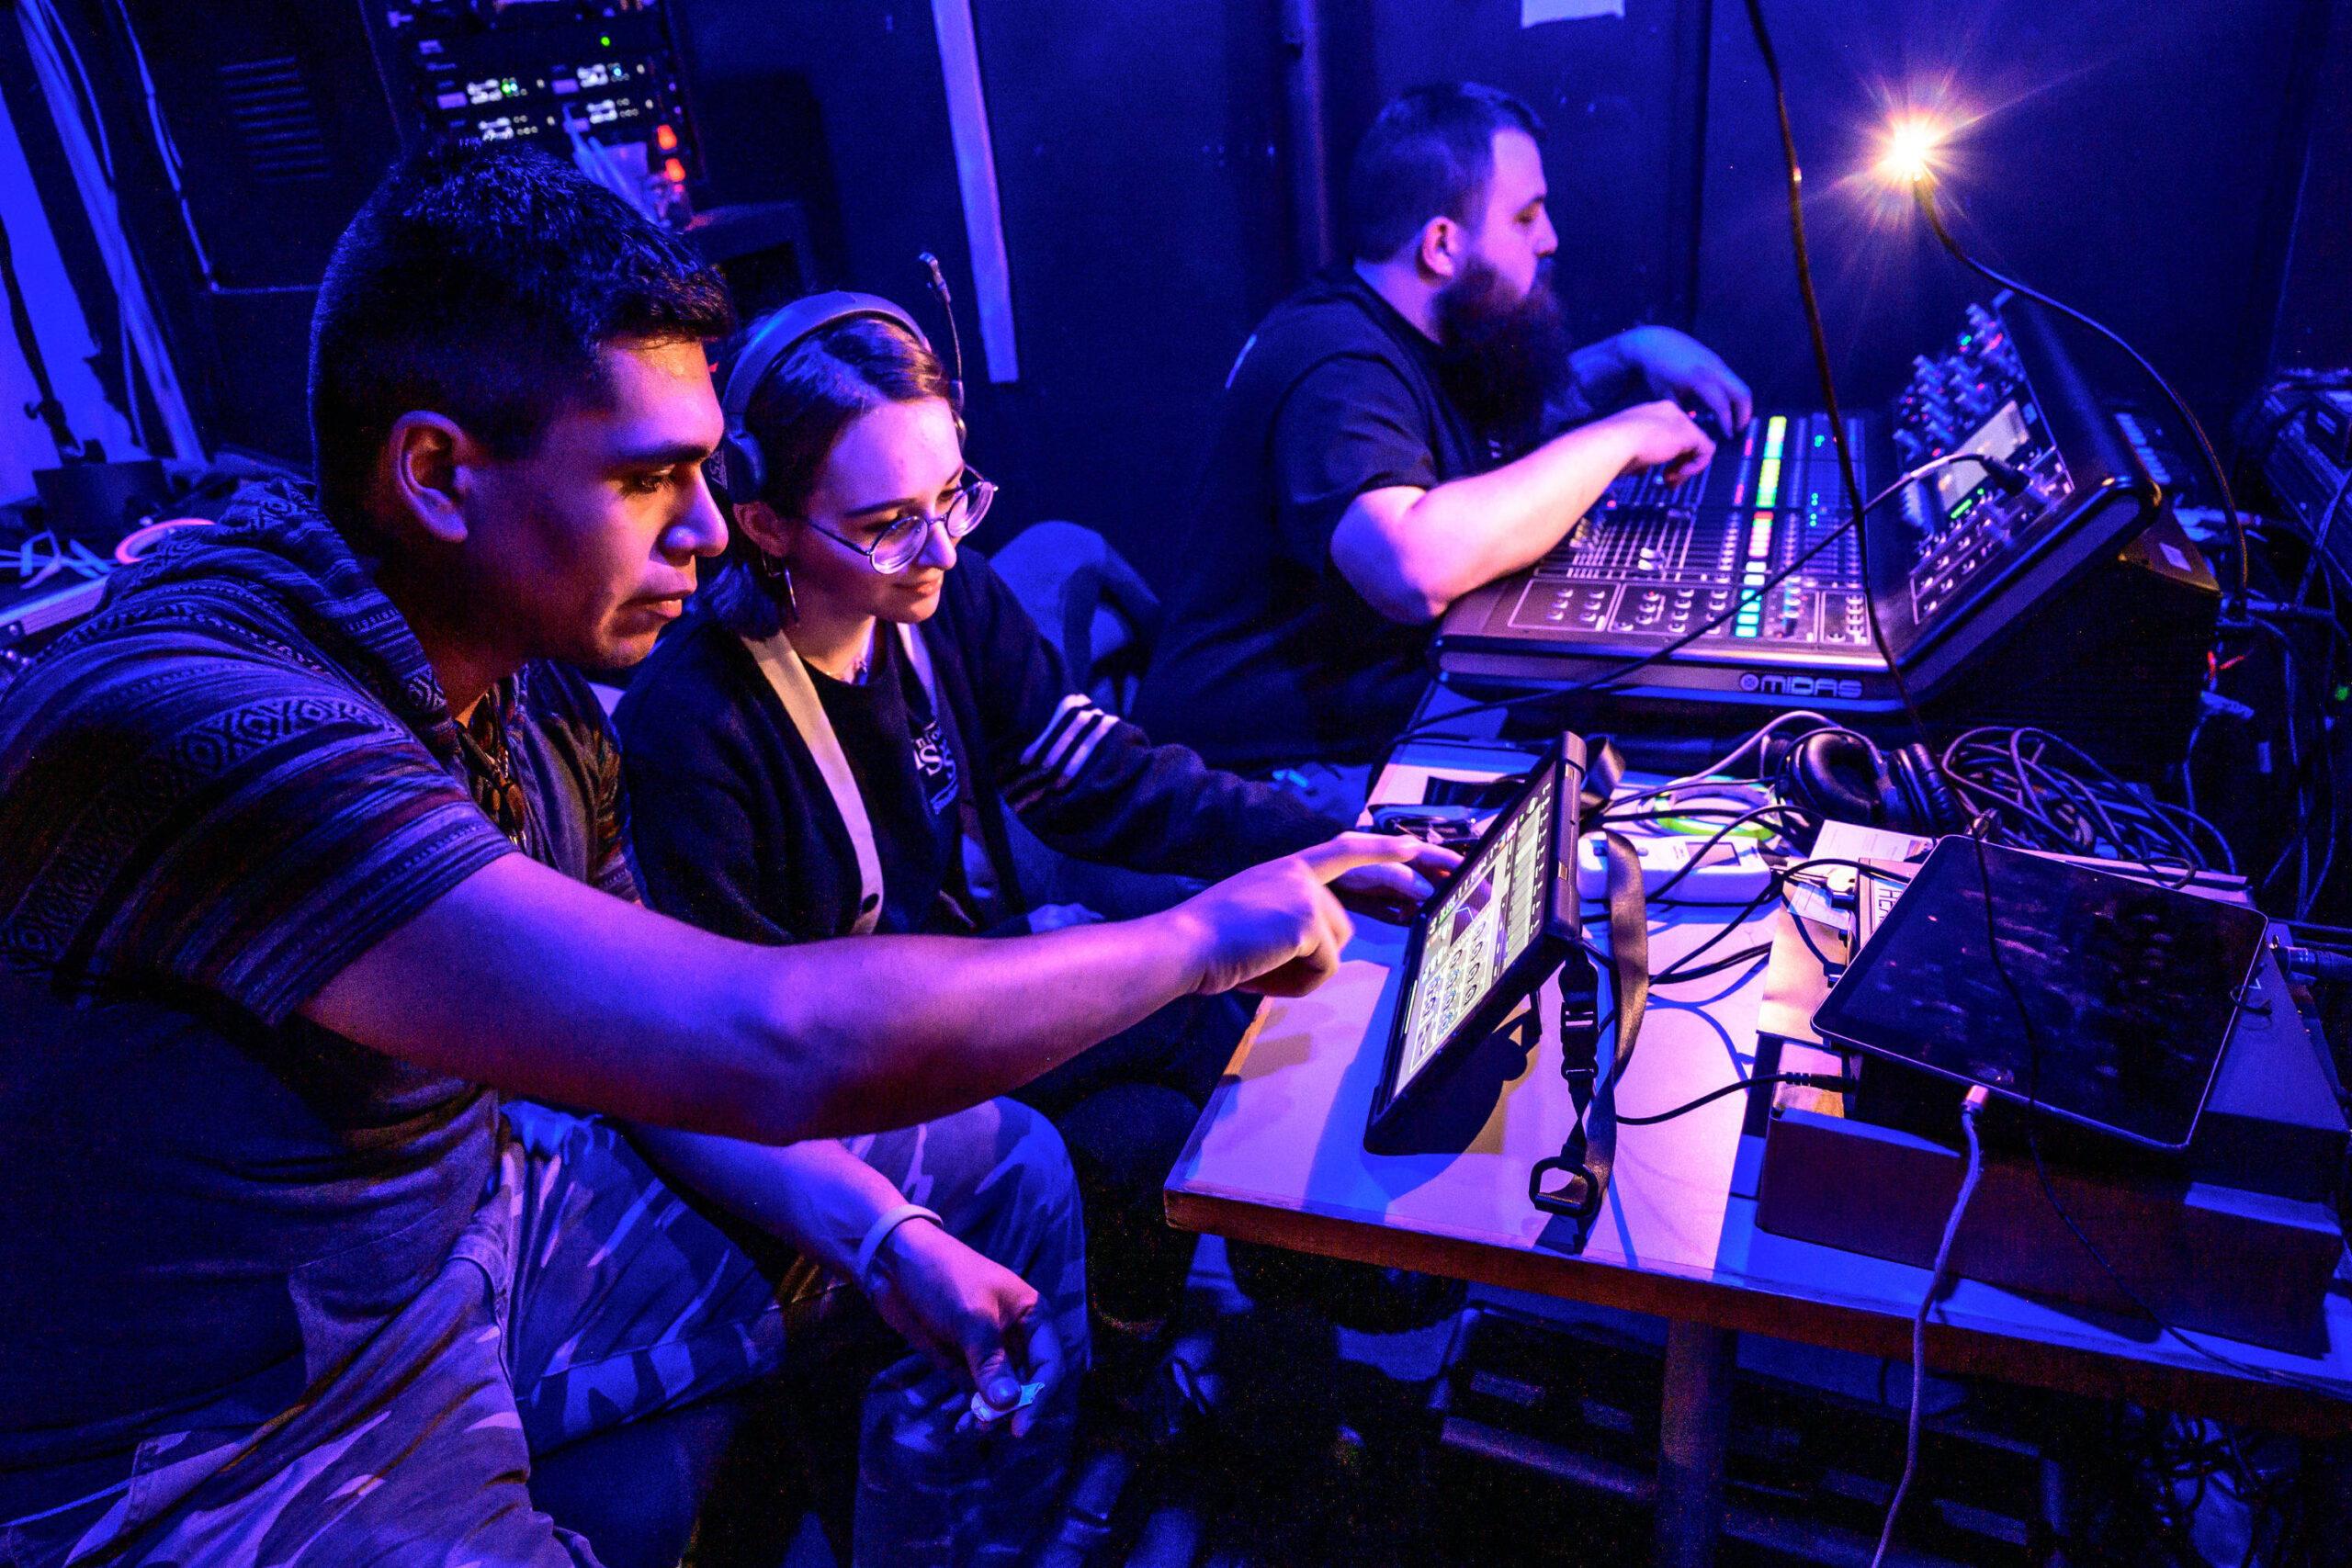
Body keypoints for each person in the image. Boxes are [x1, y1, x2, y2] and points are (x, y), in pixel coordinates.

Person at [0, 142, 1422, 1568]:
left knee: (997, 1173)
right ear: (436, 472)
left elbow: (658, 1075)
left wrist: (881, 1234)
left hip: (471, 1221)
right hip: (226, 1418)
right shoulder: (213, 723)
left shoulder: (531, 686)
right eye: (650, 478)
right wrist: (1202, 937)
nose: (702, 526)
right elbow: (759, 1038)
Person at [612, 296, 1458, 1392]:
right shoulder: (693, 726)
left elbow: (1092, 778)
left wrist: (1334, 838)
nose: (939, 549)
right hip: (828, 1086)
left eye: (951, 498)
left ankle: (1144, 1377)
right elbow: (738, 1054)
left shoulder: (936, 598)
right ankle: (1290, 1292)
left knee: (1154, 1118)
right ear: (763, 519)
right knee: (1182, 1057)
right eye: (885, 523)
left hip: (940, 1008)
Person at [1136, 81, 1753, 814]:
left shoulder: (1412, 328)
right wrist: (1624, 433)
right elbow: (1411, 565)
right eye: (1525, 217)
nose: (1549, 237)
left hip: (1362, 736)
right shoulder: (1335, 365)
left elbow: (1487, 437)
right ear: (1440, 245)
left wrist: (1629, 350)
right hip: (1250, 784)